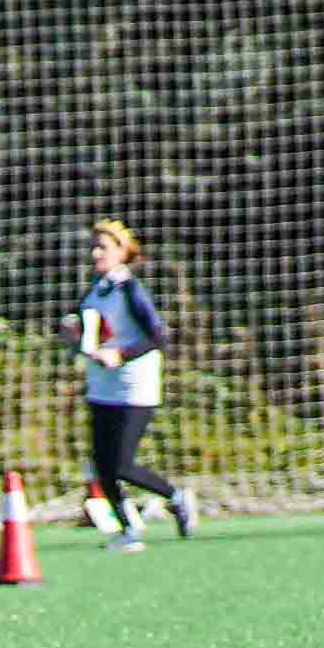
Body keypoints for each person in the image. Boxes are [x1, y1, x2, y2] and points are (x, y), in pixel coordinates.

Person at [74, 218, 198, 547]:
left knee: (122, 463)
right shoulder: (96, 289)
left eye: (103, 247)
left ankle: (177, 496)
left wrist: (122, 355)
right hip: (101, 386)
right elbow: (93, 335)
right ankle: (129, 528)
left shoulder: (129, 289)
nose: (95, 252)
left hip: (133, 386)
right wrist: (73, 336)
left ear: (122, 252)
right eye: (93, 246)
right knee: (102, 466)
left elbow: (158, 336)